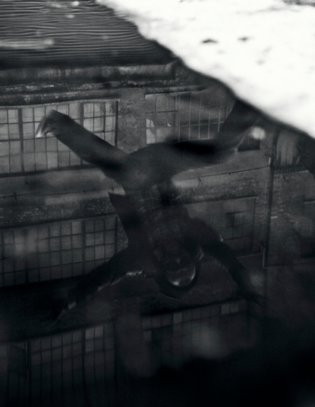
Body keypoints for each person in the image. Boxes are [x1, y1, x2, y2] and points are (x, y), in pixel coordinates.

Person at [35, 105, 262, 317]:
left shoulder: (140, 260)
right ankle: (247, 107)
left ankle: (58, 125)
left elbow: (104, 276)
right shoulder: (198, 243)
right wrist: (245, 285)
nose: (176, 258)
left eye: (172, 266)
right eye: (184, 262)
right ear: (192, 260)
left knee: (128, 172)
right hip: (165, 165)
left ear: (162, 269)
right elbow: (228, 259)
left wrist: (69, 303)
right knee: (220, 154)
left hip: (138, 178)